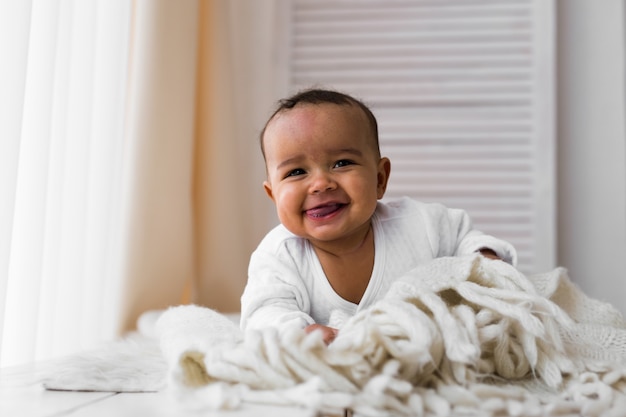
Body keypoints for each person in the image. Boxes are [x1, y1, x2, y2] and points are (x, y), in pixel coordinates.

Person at [240, 88, 517, 344]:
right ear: (273, 195)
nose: (321, 183)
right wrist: (301, 333)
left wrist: (484, 259)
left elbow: (462, 236)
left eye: (342, 163)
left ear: (380, 179)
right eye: (296, 172)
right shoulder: (279, 256)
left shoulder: (419, 225)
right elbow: (263, 312)